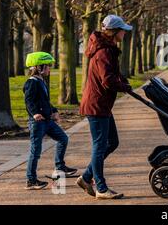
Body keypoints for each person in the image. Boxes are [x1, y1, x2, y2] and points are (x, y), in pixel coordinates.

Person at [76, 15, 133, 199]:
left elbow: (112, 74)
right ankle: (100, 188)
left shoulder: (108, 49)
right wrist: (123, 87)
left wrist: (124, 81)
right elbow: (107, 80)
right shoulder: (103, 52)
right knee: (100, 146)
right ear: (115, 31)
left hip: (102, 105)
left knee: (112, 142)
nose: (125, 32)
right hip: (96, 104)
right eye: (122, 29)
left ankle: (86, 178)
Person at [24, 52, 77, 190]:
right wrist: (35, 113)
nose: (49, 69)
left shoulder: (41, 81)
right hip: (37, 123)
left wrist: (54, 110)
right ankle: (31, 180)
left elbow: (45, 101)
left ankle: (60, 166)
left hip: (47, 121)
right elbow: (29, 101)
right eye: (47, 66)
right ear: (39, 67)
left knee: (63, 138)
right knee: (35, 151)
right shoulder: (31, 82)